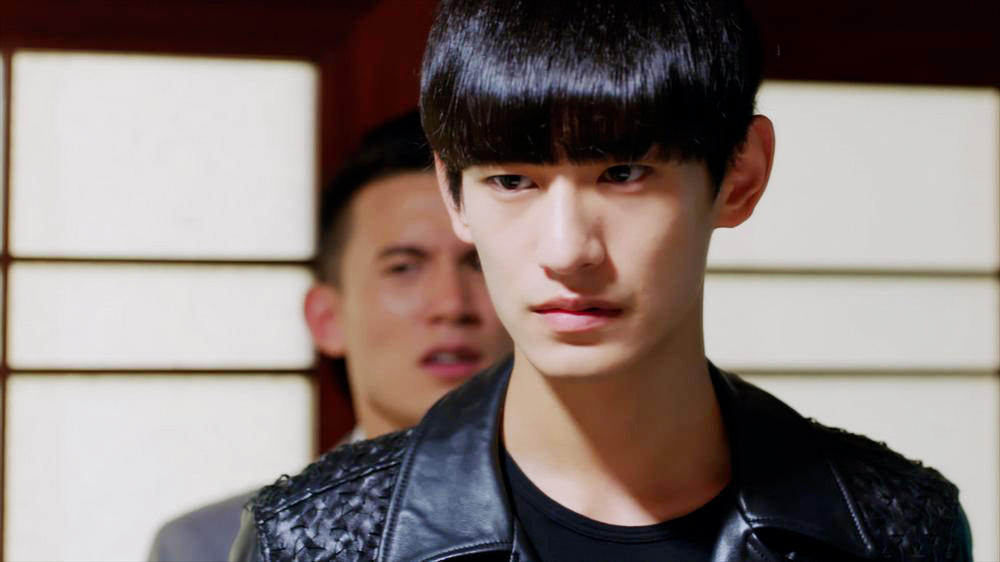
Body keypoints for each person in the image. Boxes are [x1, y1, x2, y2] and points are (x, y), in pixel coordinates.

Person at [230, 1, 973, 560]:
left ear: (741, 175)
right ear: (454, 193)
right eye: (512, 180)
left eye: (623, 174)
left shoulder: (887, 525)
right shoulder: (311, 537)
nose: (567, 250)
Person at [148, 110, 511, 561]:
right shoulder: (214, 543)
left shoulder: (578, 516)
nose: (452, 305)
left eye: (478, 263)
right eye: (404, 268)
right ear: (326, 318)